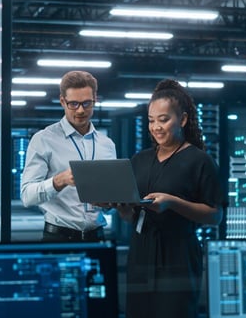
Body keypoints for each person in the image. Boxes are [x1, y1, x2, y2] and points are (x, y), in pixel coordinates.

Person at [117, 79, 225, 318]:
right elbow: (132, 217)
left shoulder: (200, 161)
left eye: (163, 120)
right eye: (151, 120)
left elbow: (215, 215)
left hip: (178, 256)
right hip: (140, 255)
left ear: (183, 120)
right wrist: (121, 208)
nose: (156, 127)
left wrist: (172, 202)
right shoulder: (139, 160)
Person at [20, 70, 117, 242]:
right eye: (73, 104)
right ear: (62, 101)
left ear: (95, 100)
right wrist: (59, 181)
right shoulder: (43, 139)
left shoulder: (107, 144)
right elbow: (27, 196)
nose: (80, 110)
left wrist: (109, 203)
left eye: (87, 103)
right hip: (58, 238)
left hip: (97, 237)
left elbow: (111, 199)